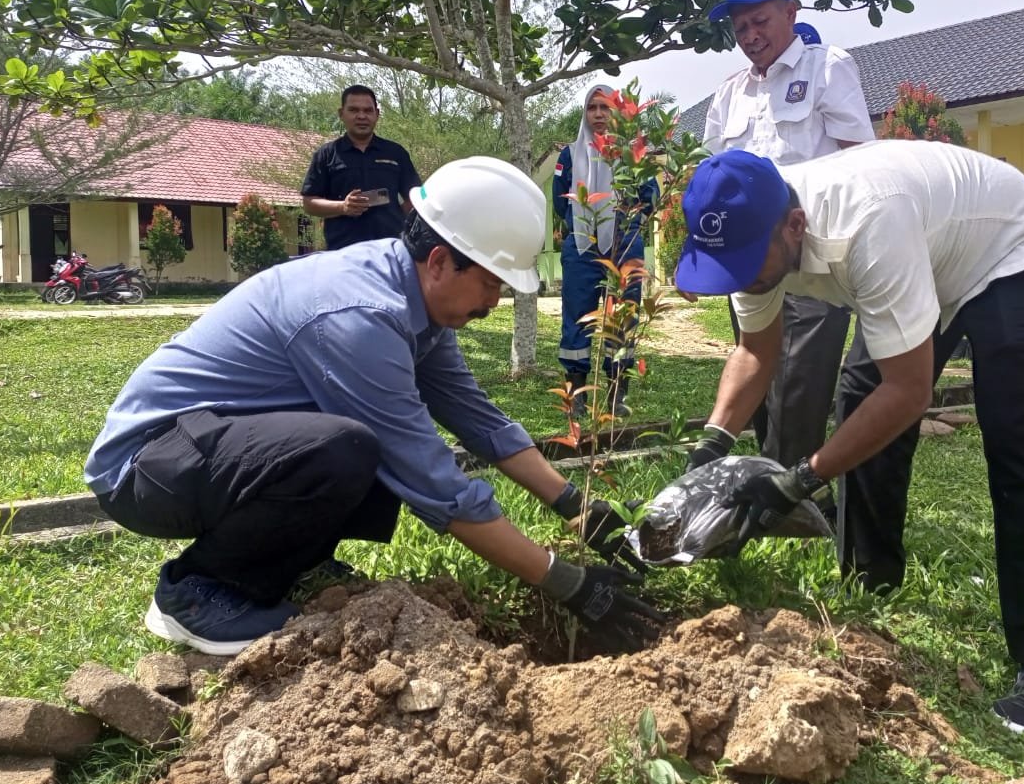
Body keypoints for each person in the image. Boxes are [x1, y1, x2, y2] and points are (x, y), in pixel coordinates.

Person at [84, 157, 661, 657]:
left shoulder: (414, 302)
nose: (495, 300)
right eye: (492, 283)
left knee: (357, 445)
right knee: (352, 447)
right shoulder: (360, 316)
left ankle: (297, 561)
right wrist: (568, 584)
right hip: (147, 468)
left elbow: (478, 418)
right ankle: (198, 590)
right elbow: (433, 481)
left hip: (213, 450)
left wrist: (579, 507)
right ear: (440, 261)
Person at [675, 144, 1024, 737]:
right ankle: (870, 582)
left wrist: (799, 480)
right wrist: (708, 449)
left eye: (745, 266)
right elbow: (755, 351)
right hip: (923, 257)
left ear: (795, 226)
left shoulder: (867, 222)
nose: (738, 279)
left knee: (1015, 438)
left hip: (1008, 252)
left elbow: (909, 392)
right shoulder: (749, 232)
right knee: (861, 401)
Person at [695, 0, 874, 471]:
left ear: (791, 12)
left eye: (760, 21)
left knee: (799, 390)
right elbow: (713, 175)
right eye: (740, 27)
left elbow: (861, 163)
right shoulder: (730, 93)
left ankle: (787, 492)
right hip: (751, 261)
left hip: (813, 257)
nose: (750, 35)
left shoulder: (827, 68)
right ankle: (777, 481)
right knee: (758, 381)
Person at [553, 85, 658, 418]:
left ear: (618, 113)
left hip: (624, 246)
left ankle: (616, 395)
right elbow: (560, 201)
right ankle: (577, 397)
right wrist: (583, 222)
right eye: (592, 107)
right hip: (581, 246)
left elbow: (650, 196)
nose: (598, 114)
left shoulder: (632, 153)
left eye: (605, 107)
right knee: (577, 319)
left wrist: (626, 222)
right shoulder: (570, 155)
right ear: (585, 113)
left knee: (622, 318)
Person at [301, 85, 422, 250]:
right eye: (353, 110)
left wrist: (397, 219)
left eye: (368, 110)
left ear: (377, 114)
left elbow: (416, 196)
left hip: (390, 250)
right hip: (343, 251)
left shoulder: (396, 153)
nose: (361, 116)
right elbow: (309, 203)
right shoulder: (326, 155)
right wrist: (343, 207)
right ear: (341, 114)